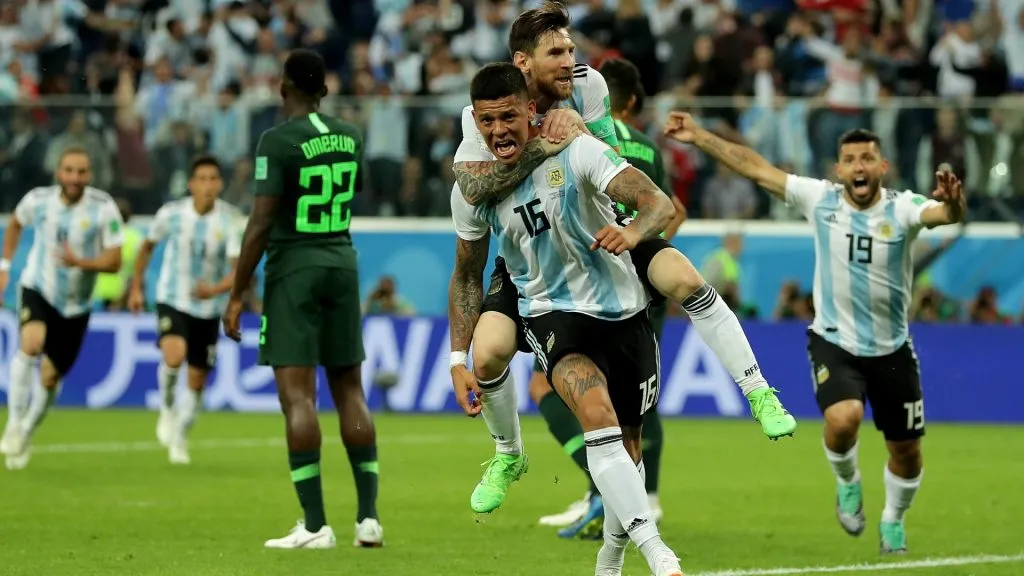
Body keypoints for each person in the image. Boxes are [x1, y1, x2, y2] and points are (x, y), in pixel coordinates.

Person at [451, 1, 796, 520]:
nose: (571, 60)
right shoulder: (487, 110)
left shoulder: (589, 87)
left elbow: (610, 166)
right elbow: (475, 188)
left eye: (571, 47)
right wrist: (542, 148)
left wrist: (626, 216)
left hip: (601, 228)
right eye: (557, 52)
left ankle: (757, 390)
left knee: (682, 276)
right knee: (489, 352)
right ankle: (507, 454)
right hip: (531, 248)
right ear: (523, 63)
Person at [665, 114, 966, 554]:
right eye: (850, 159)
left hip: (892, 349)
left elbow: (941, 214)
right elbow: (755, 168)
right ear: (839, 170)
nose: (859, 166)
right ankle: (848, 482)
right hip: (834, 340)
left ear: (882, 167)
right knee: (843, 420)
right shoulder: (820, 200)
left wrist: (955, 205)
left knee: (906, 453)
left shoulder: (902, 208)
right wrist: (700, 137)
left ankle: (893, 519)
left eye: (867, 158)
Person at [449, 61, 684, 576]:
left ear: (530, 108)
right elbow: (467, 271)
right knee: (501, 359)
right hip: (546, 307)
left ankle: (612, 555)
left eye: (506, 118)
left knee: (628, 440)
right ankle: (655, 550)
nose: (496, 131)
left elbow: (659, 203)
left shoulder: (578, 141)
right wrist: (456, 356)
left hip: (615, 293)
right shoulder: (475, 183)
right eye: (485, 121)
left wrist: (636, 233)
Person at [222, 49, 382, 550]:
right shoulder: (352, 135)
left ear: (282, 85)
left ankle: (315, 525)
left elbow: (261, 220)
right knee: (350, 391)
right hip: (342, 260)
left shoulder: (277, 140)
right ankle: (368, 519)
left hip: (294, 267)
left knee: (298, 396)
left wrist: (235, 294)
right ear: (325, 89)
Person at [538, 57, 686, 538]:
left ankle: (605, 489)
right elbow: (668, 209)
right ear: (635, 103)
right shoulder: (644, 145)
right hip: (641, 280)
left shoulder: (572, 138)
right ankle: (640, 495)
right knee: (639, 400)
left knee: (558, 388)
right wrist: (648, 255)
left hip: (584, 282)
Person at [0, 149, 124, 470]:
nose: (75, 178)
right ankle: (13, 423)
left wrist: (79, 262)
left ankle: (26, 430)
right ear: (58, 172)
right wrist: (4, 265)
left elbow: (114, 261)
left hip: (76, 305)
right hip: (38, 286)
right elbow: (15, 224)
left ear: (90, 175)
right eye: (69, 170)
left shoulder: (103, 208)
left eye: (81, 171)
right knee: (30, 345)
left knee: (51, 377)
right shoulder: (38, 200)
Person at [127, 155, 241, 465]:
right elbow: (147, 246)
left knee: (197, 381)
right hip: (173, 297)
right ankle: (166, 408)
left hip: (207, 309)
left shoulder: (229, 220)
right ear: (191, 184)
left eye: (212, 179)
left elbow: (239, 270)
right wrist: (136, 286)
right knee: (173, 356)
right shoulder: (171, 214)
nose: (207, 185)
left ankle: (180, 436)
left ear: (220, 184)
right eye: (201, 179)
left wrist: (214, 290)